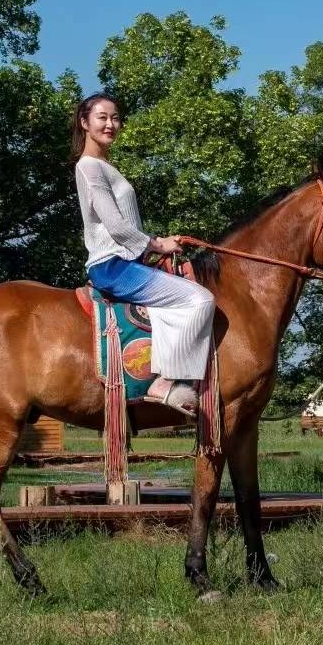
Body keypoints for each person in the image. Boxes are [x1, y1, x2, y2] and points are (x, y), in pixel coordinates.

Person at [71, 92, 214, 417]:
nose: (110, 124)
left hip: (125, 260)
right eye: (102, 117)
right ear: (85, 122)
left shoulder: (104, 166)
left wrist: (156, 241)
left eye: (115, 117)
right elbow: (116, 226)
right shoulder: (89, 167)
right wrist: (158, 244)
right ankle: (163, 381)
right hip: (112, 266)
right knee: (200, 300)